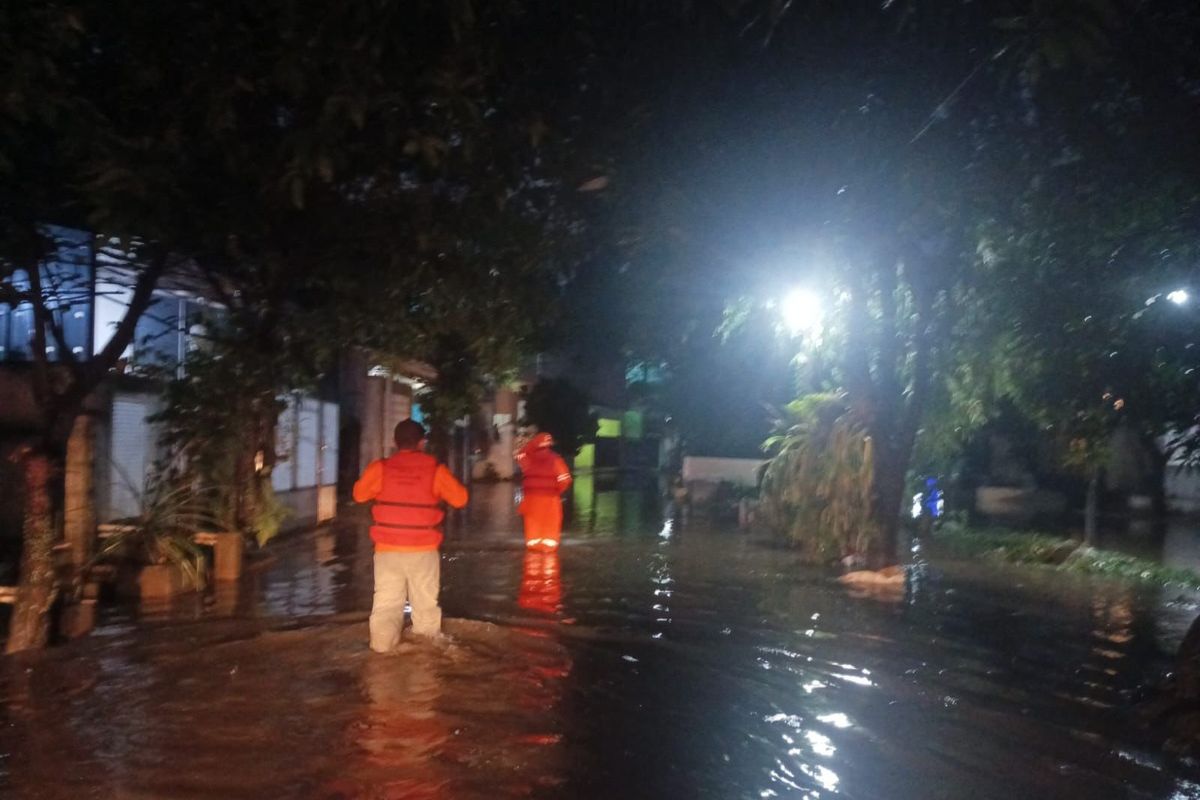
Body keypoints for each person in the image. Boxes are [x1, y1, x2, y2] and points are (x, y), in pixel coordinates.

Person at [353, 419, 468, 652]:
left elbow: (359, 495)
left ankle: (382, 652)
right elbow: (460, 499)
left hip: (387, 551)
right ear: (422, 442)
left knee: (386, 605)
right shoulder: (435, 469)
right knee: (425, 606)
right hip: (423, 551)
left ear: (395, 443)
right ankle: (424, 660)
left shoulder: (381, 468)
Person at [515, 432, 572, 551]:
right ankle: (549, 545)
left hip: (532, 498)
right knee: (550, 520)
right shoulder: (556, 460)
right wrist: (556, 491)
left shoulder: (528, 459)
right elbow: (565, 479)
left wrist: (532, 443)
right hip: (550, 498)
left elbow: (520, 454)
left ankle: (533, 544)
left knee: (533, 520)